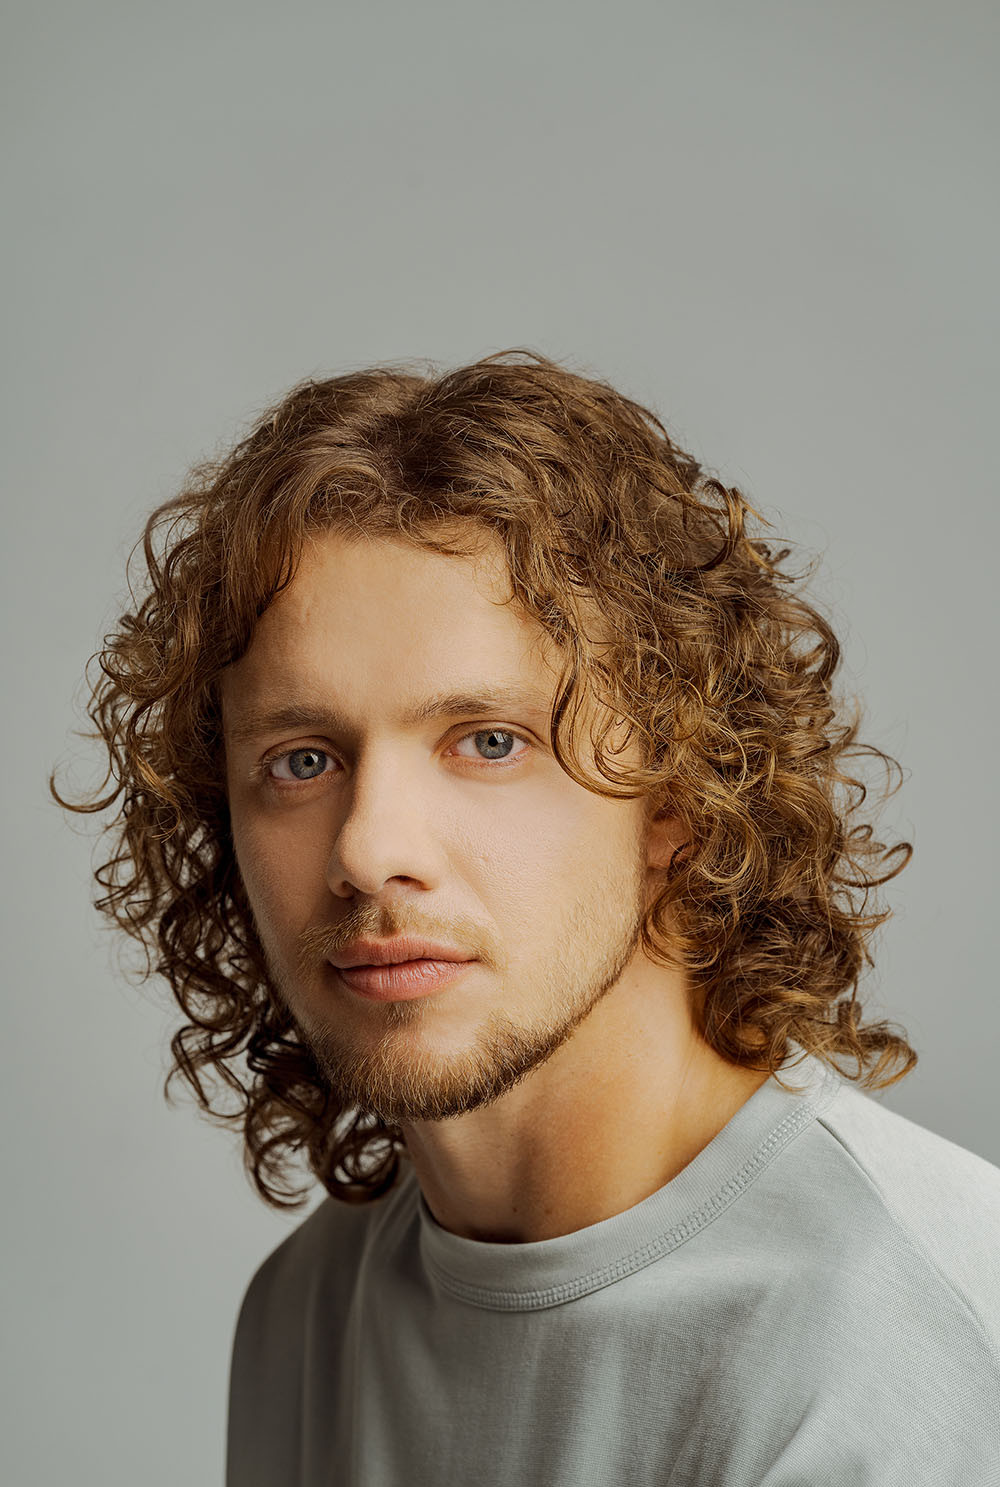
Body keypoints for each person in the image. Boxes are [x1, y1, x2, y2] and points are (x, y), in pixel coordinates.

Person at [53, 350, 1000, 1485]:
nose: (367, 850)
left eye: (489, 741)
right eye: (302, 760)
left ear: (677, 799)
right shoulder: (306, 1312)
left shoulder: (903, 1342)